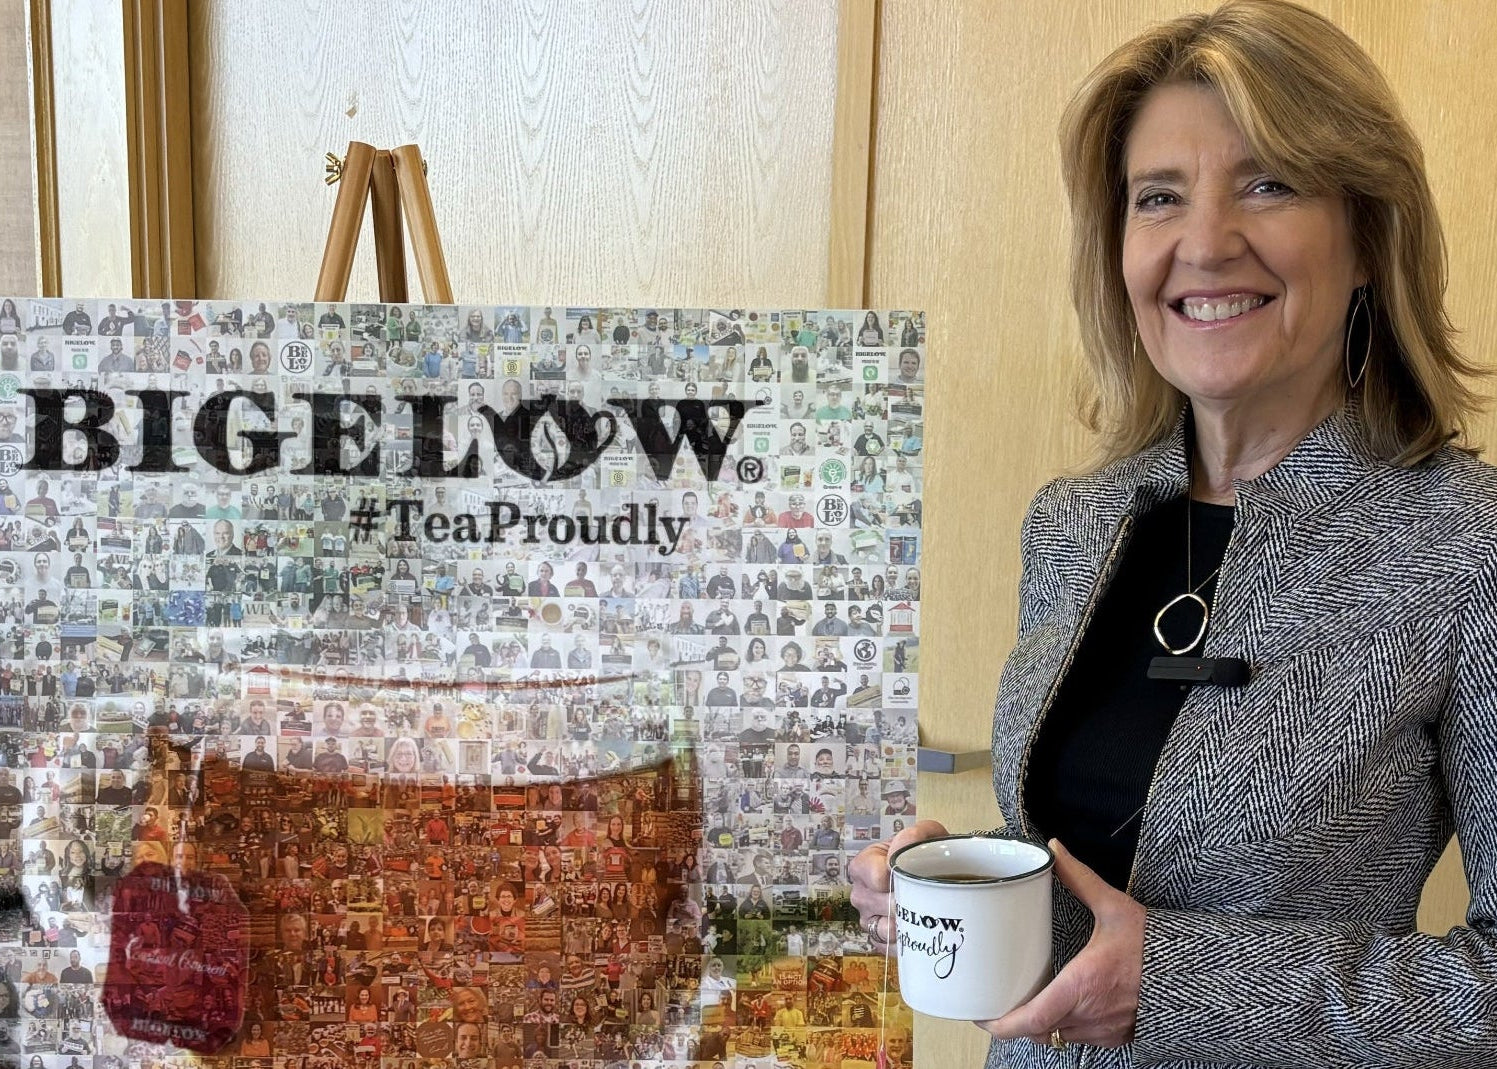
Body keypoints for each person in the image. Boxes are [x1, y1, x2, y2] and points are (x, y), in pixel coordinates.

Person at [850, 3, 1497, 1064]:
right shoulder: (1073, 523)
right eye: (1160, 198)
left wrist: (1183, 984)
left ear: (1368, 235)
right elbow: (1093, 881)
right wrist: (962, 885)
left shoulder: (1467, 547)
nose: (1204, 243)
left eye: (1267, 183)